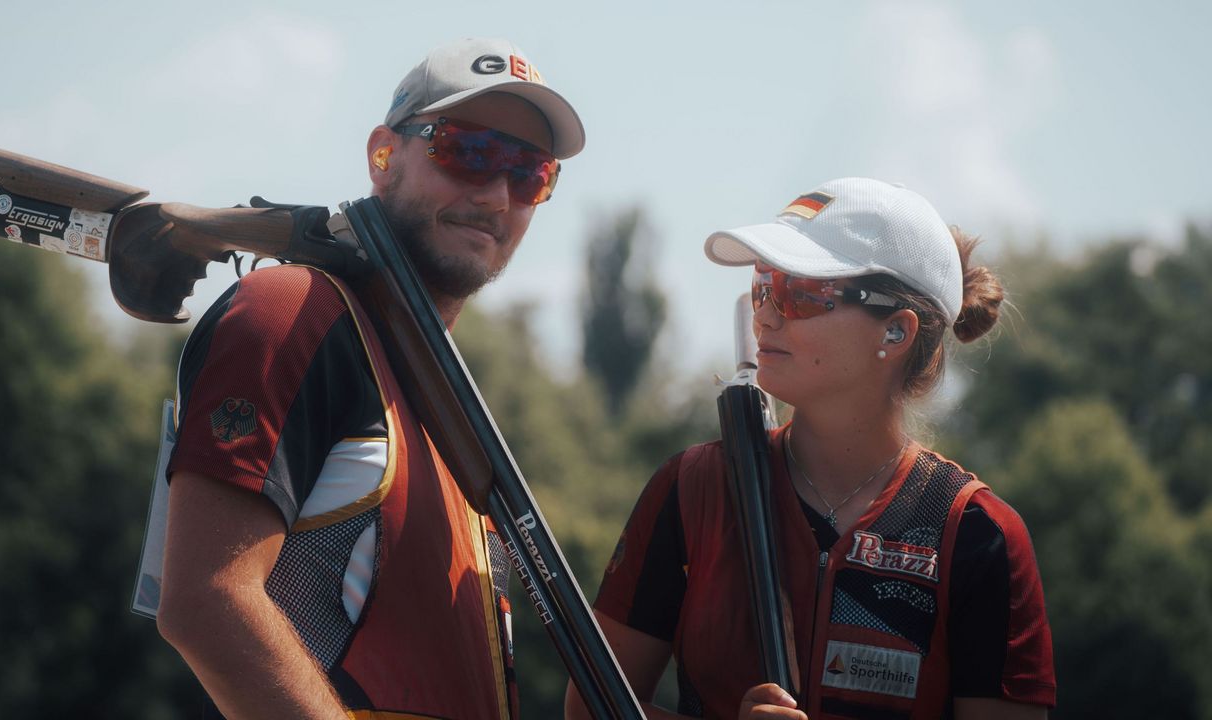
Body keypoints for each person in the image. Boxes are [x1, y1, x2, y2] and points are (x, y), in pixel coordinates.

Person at [155, 38, 584, 720]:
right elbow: (206, 599)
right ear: (383, 155)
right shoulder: (293, 310)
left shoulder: (451, 405)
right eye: (468, 151)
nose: (498, 195)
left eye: (531, 173)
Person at [567, 178, 1056, 720]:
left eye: (801, 294)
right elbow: (590, 707)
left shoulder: (980, 535)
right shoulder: (691, 487)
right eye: (763, 286)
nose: (766, 315)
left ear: (895, 332)